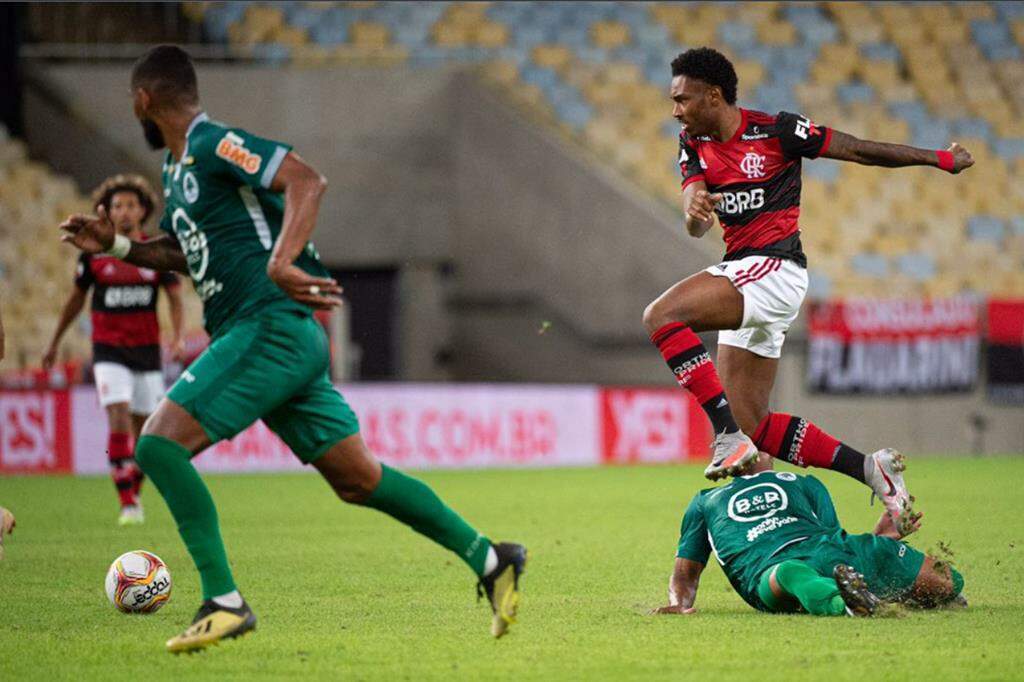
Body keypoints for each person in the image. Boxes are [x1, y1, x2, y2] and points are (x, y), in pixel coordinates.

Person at [59, 45, 526, 653]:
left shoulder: (215, 144)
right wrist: (117, 246)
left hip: (269, 325)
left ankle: (223, 601)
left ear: (144, 100)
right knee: (358, 480)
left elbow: (307, 179)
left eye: (134, 104)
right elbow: (184, 255)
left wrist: (280, 261)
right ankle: (491, 559)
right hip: (269, 335)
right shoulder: (177, 171)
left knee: (157, 444)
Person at [643, 48, 974, 526]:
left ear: (713, 96)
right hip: (743, 273)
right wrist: (695, 214)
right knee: (757, 428)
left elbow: (858, 149)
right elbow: (696, 215)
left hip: (774, 269)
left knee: (661, 316)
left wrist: (939, 159)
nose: (675, 109)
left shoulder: (777, 131)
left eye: (682, 99)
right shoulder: (691, 142)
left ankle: (724, 434)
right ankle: (872, 470)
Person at [652, 452, 963, 617]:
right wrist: (679, 603)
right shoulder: (706, 501)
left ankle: (866, 595)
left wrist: (878, 538)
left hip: (827, 548)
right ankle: (846, 606)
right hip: (768, 570)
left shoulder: (806, 483)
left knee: (948, 581)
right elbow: (685, 571)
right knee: (791, 572)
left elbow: (836, 545)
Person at [44, 174, 185, 525]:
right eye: (117, 205)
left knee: (146, 436)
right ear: (106, 212)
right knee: (117, 415)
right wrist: (54, 342)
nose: (124, 212)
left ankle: (133, 488)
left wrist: (179, 336)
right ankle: (127, 503)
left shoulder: (154, 254)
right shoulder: (94, 257)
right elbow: (75, 300)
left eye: (131, 205)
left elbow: (176, 295)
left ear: (143, 212)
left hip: (147, 353)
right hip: (108, 350)